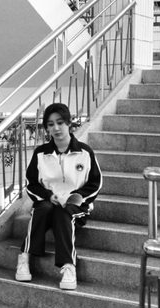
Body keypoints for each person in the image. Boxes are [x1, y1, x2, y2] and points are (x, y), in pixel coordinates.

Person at [15, 103, 102, 290]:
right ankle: (25, 257)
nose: (56, 128)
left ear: (69, 123)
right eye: (50, 124)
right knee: (42, 209)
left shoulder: (85, 152)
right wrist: (48, 196)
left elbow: (95, 183)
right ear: (46, 128)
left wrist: (78, 196)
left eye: (60, 122)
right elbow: (31, 183)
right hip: (49, 201)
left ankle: (69, 265)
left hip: (75, 206)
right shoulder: (40, 153)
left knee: (63, 213)